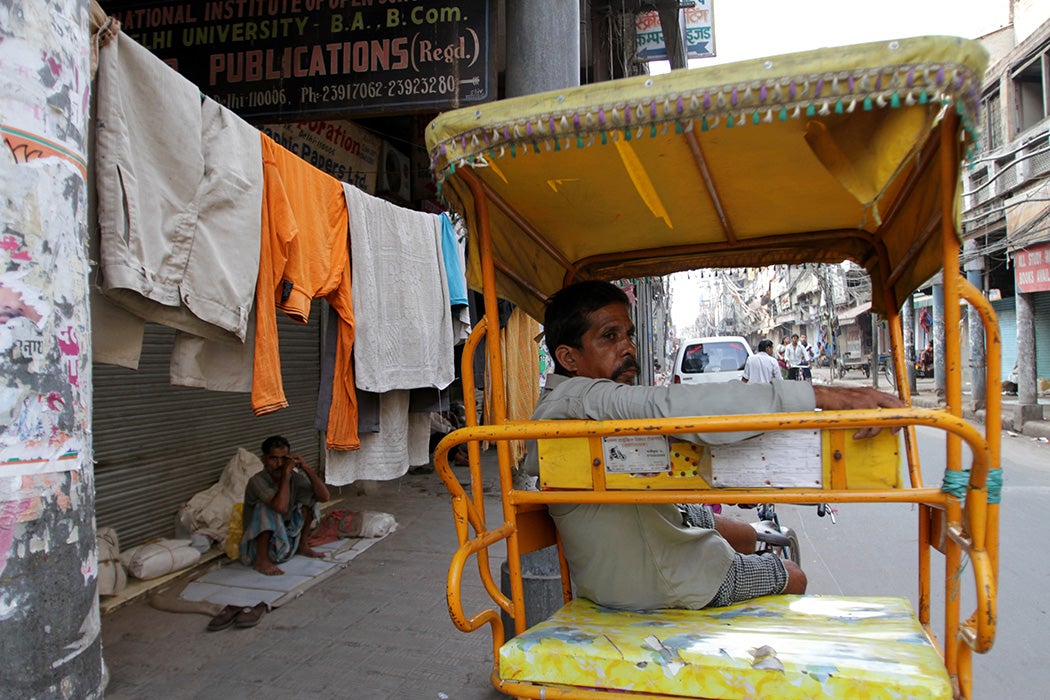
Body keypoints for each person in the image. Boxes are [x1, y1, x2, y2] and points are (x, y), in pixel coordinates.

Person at [526, 281, 904, 611]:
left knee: (713, 522)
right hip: (665, 581)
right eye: (610, 337)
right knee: (793, 574)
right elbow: (675, 407)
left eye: (628, 335)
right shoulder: (586, 397)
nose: (627, 348)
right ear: (568, 358)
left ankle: (758, 536)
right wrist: (823, 395)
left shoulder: (557, 404)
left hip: (634, 548)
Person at [240, 435, 331, 575]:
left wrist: (306, 468)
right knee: (265, 508)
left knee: (309, 499)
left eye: (283, 458)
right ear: (263, 460)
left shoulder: (294, 478)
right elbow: (280, 507)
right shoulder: (257, 481)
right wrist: (286, 476)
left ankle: (302, 545)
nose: (279, 464)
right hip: (256, 546)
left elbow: (324, 497)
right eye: (273, 458)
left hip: (283, 539)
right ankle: (261, 560)